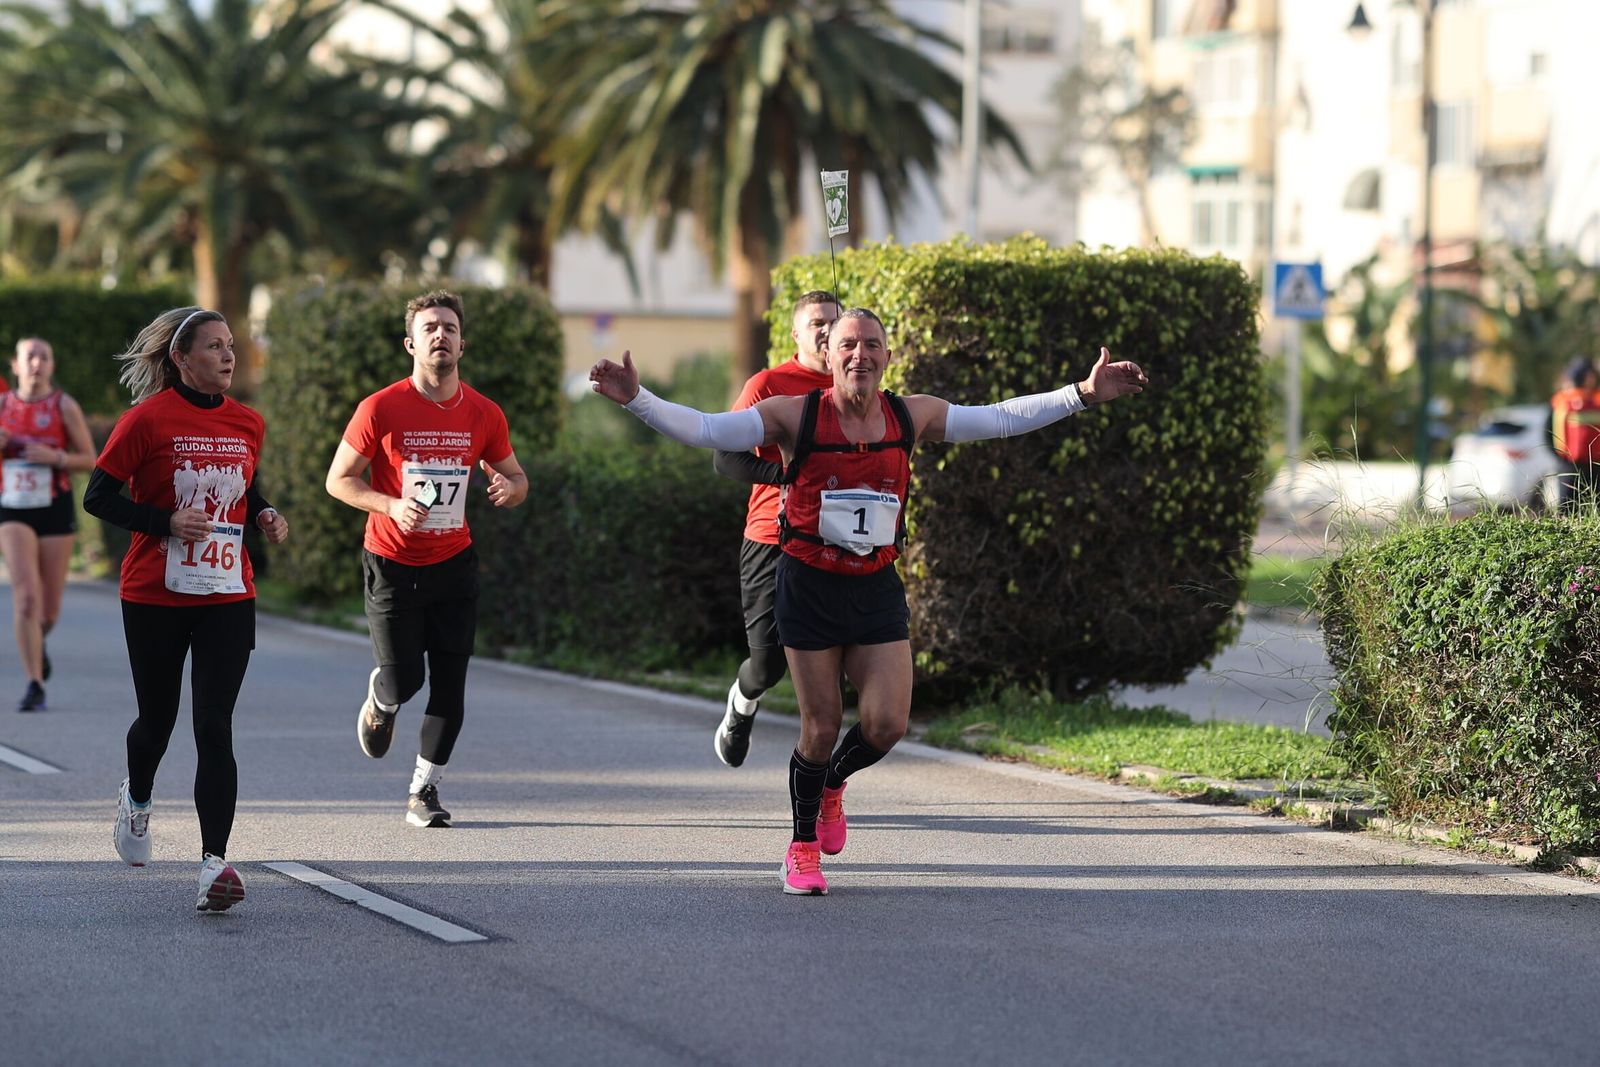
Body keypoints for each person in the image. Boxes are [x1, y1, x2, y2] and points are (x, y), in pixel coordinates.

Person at [590, 308, 1147, 894]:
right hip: (807, 583)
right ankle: (802, 849)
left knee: (886, 724)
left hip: (874, 583)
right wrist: (636, 399)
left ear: (887, 356)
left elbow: (1001, 419)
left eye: (872, 346)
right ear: (829, 356)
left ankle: (832, 784)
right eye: (848, 345)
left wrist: (1082, 393)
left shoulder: (912, 414)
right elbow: (706, 430)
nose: (860, 355)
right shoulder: (793, 414)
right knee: (821, 725)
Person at [85, 307, 290, 912]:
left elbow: (241, 483)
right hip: (155, 592)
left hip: (228, 592)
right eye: (214, 347)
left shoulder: (248, 422)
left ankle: (213, 865)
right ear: (181, 358)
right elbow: (98, 496)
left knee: (214, 726)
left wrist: (263, 512)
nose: (229, 356)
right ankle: (139, 797)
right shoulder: (145, 421)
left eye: (232, 346)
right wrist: (164, 522)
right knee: (158, 721)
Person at [325, 289, 528, 828]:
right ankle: (383, 700)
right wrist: (389, 504)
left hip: (454, 563)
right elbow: (338, 480)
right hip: (391, 561)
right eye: (431, 328)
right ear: (410, 342)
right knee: (404, 678)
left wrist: (510, 488)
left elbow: (517, 477)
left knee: (450, 682)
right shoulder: (380, 408)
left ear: (462, 343)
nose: (441, 335)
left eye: (451, 328)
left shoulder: (483, 413)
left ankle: (424, 790)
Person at [710, 290, 839, 766]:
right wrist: (785, 475)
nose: (827, 331)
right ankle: (741, 706)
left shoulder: (852, 385)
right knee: (768, 665)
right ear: (796, 334)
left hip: (833, 541)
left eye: (834, 322)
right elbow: (725, 456)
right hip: (771, 538)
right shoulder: (769, 383)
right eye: (817, 323)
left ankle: (823, 771)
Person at [0, 337, 96, 711]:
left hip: (54, 506)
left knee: (48, 611)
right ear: (16, 365)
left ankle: (37, 644)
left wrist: (55, 457)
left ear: (52, 365)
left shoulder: (63, 406)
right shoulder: (2, 407)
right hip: (12, 507)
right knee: (25, 598)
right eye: (30, 357)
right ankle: (34, 683)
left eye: (44, 356)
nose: (37, 363)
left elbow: (92, 458)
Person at [1550, 358, 1600, 515]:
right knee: (1567, 510)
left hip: (1595, 467)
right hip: (1569, 466)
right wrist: (1561, 459)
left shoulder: (1596, 400)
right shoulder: (1562, 402)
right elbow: (1549, 433)